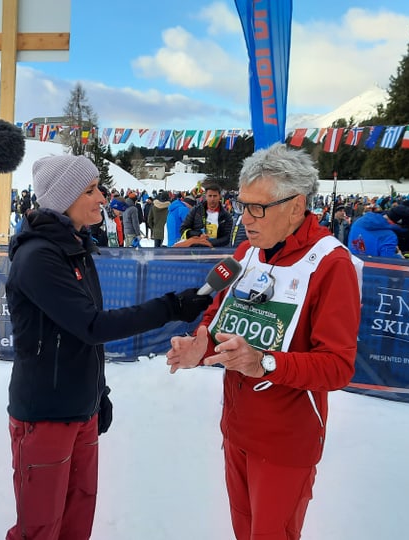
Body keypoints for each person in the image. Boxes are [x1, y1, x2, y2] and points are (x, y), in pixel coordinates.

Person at [5, 154, 214, 540]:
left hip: (80, 408)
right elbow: (92, 326)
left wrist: (97, 392)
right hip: (45, 415)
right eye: (91, 190)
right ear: (64, 199)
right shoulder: (38, 258)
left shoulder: (76, 248)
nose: (103, 197)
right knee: (40, 528)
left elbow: (80, 336)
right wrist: (171, 306)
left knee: (77, 518)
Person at [166, 143, 361, 540]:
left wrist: (266, 363)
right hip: (237, 428)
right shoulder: (245, 252)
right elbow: (216, 318)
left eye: (259, 207)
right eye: (243, 205)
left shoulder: (331, 264)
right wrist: (200, 348)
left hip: (286, 441)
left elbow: (338, 366)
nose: (247, 217)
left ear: (296, 206)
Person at [180, 182, 234, 247]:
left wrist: (210, 243)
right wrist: (199, 235)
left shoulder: (226, 216)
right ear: (206, 196)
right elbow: (183, 229)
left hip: (216, 251)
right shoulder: (195, 210)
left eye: (215, 196)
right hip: (196, 250)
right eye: (210, 196)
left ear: (219, 196)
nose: (212, 199)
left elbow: (228, 237)